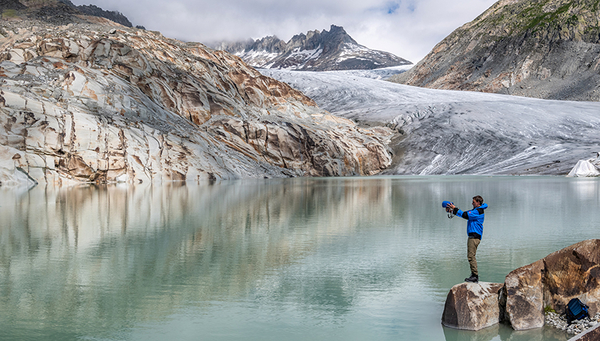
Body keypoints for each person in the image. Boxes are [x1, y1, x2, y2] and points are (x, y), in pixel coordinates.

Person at [446, 196, 488, 283]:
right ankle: (473, 275)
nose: (472, 203)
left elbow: (465, 215)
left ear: (478, 203)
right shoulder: (476, 210)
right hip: (473, 236)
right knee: (471, 256)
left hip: (474, 236)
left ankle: (475, 276)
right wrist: (452, 211)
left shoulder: (478, 211)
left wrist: (455, 208)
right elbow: (464, 214)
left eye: (473, 202)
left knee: (471, 256)